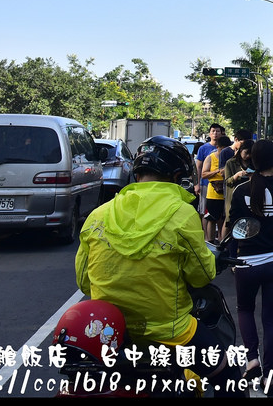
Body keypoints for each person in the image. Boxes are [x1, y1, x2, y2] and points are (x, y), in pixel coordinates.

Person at [75, 135, 233, 391]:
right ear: (176, 175)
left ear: (138, 173)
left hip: (110, 333)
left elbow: (83, 282)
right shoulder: (182, 213)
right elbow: (201, 276)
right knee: (227, 373)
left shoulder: (98, 214)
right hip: (171, 332)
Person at [227, 139, 273, 391]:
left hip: (247, 260)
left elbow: (232, 228)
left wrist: (231, 256)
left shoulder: (240, 191)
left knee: (244, 309)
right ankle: (269, 375)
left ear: (250, 161)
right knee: (271, 319)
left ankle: (251, 361)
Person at [201, 134, 232, 241]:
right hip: (213, 192)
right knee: (212, 218)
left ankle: (222, 240)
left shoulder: (230, 157)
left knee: (224, 219)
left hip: (226, 192)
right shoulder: (211, 157)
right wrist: (217, 171)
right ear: (218, 147)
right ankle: (210, 241)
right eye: (223, 149)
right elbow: (203, 174)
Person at [195, 124, 225, 216]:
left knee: (221, 214)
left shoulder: (226, 148)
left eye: (217, 131)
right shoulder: (203, 148)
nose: (215, 133)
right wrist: (197, 184)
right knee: (205, 212)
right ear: (210, 133)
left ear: (221, 133)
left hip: (222, 185)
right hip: (205, 184)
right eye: (213, 131)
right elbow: (198, 167)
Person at [224, 138, 255, 223]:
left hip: (250, 195)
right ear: (240, 150)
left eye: (250, 154)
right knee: (231, 221)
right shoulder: (230, 163)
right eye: (246, 153)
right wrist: (237, 175)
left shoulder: (254, 163)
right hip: (234, 195)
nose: (248, 156)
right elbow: (227, 182)